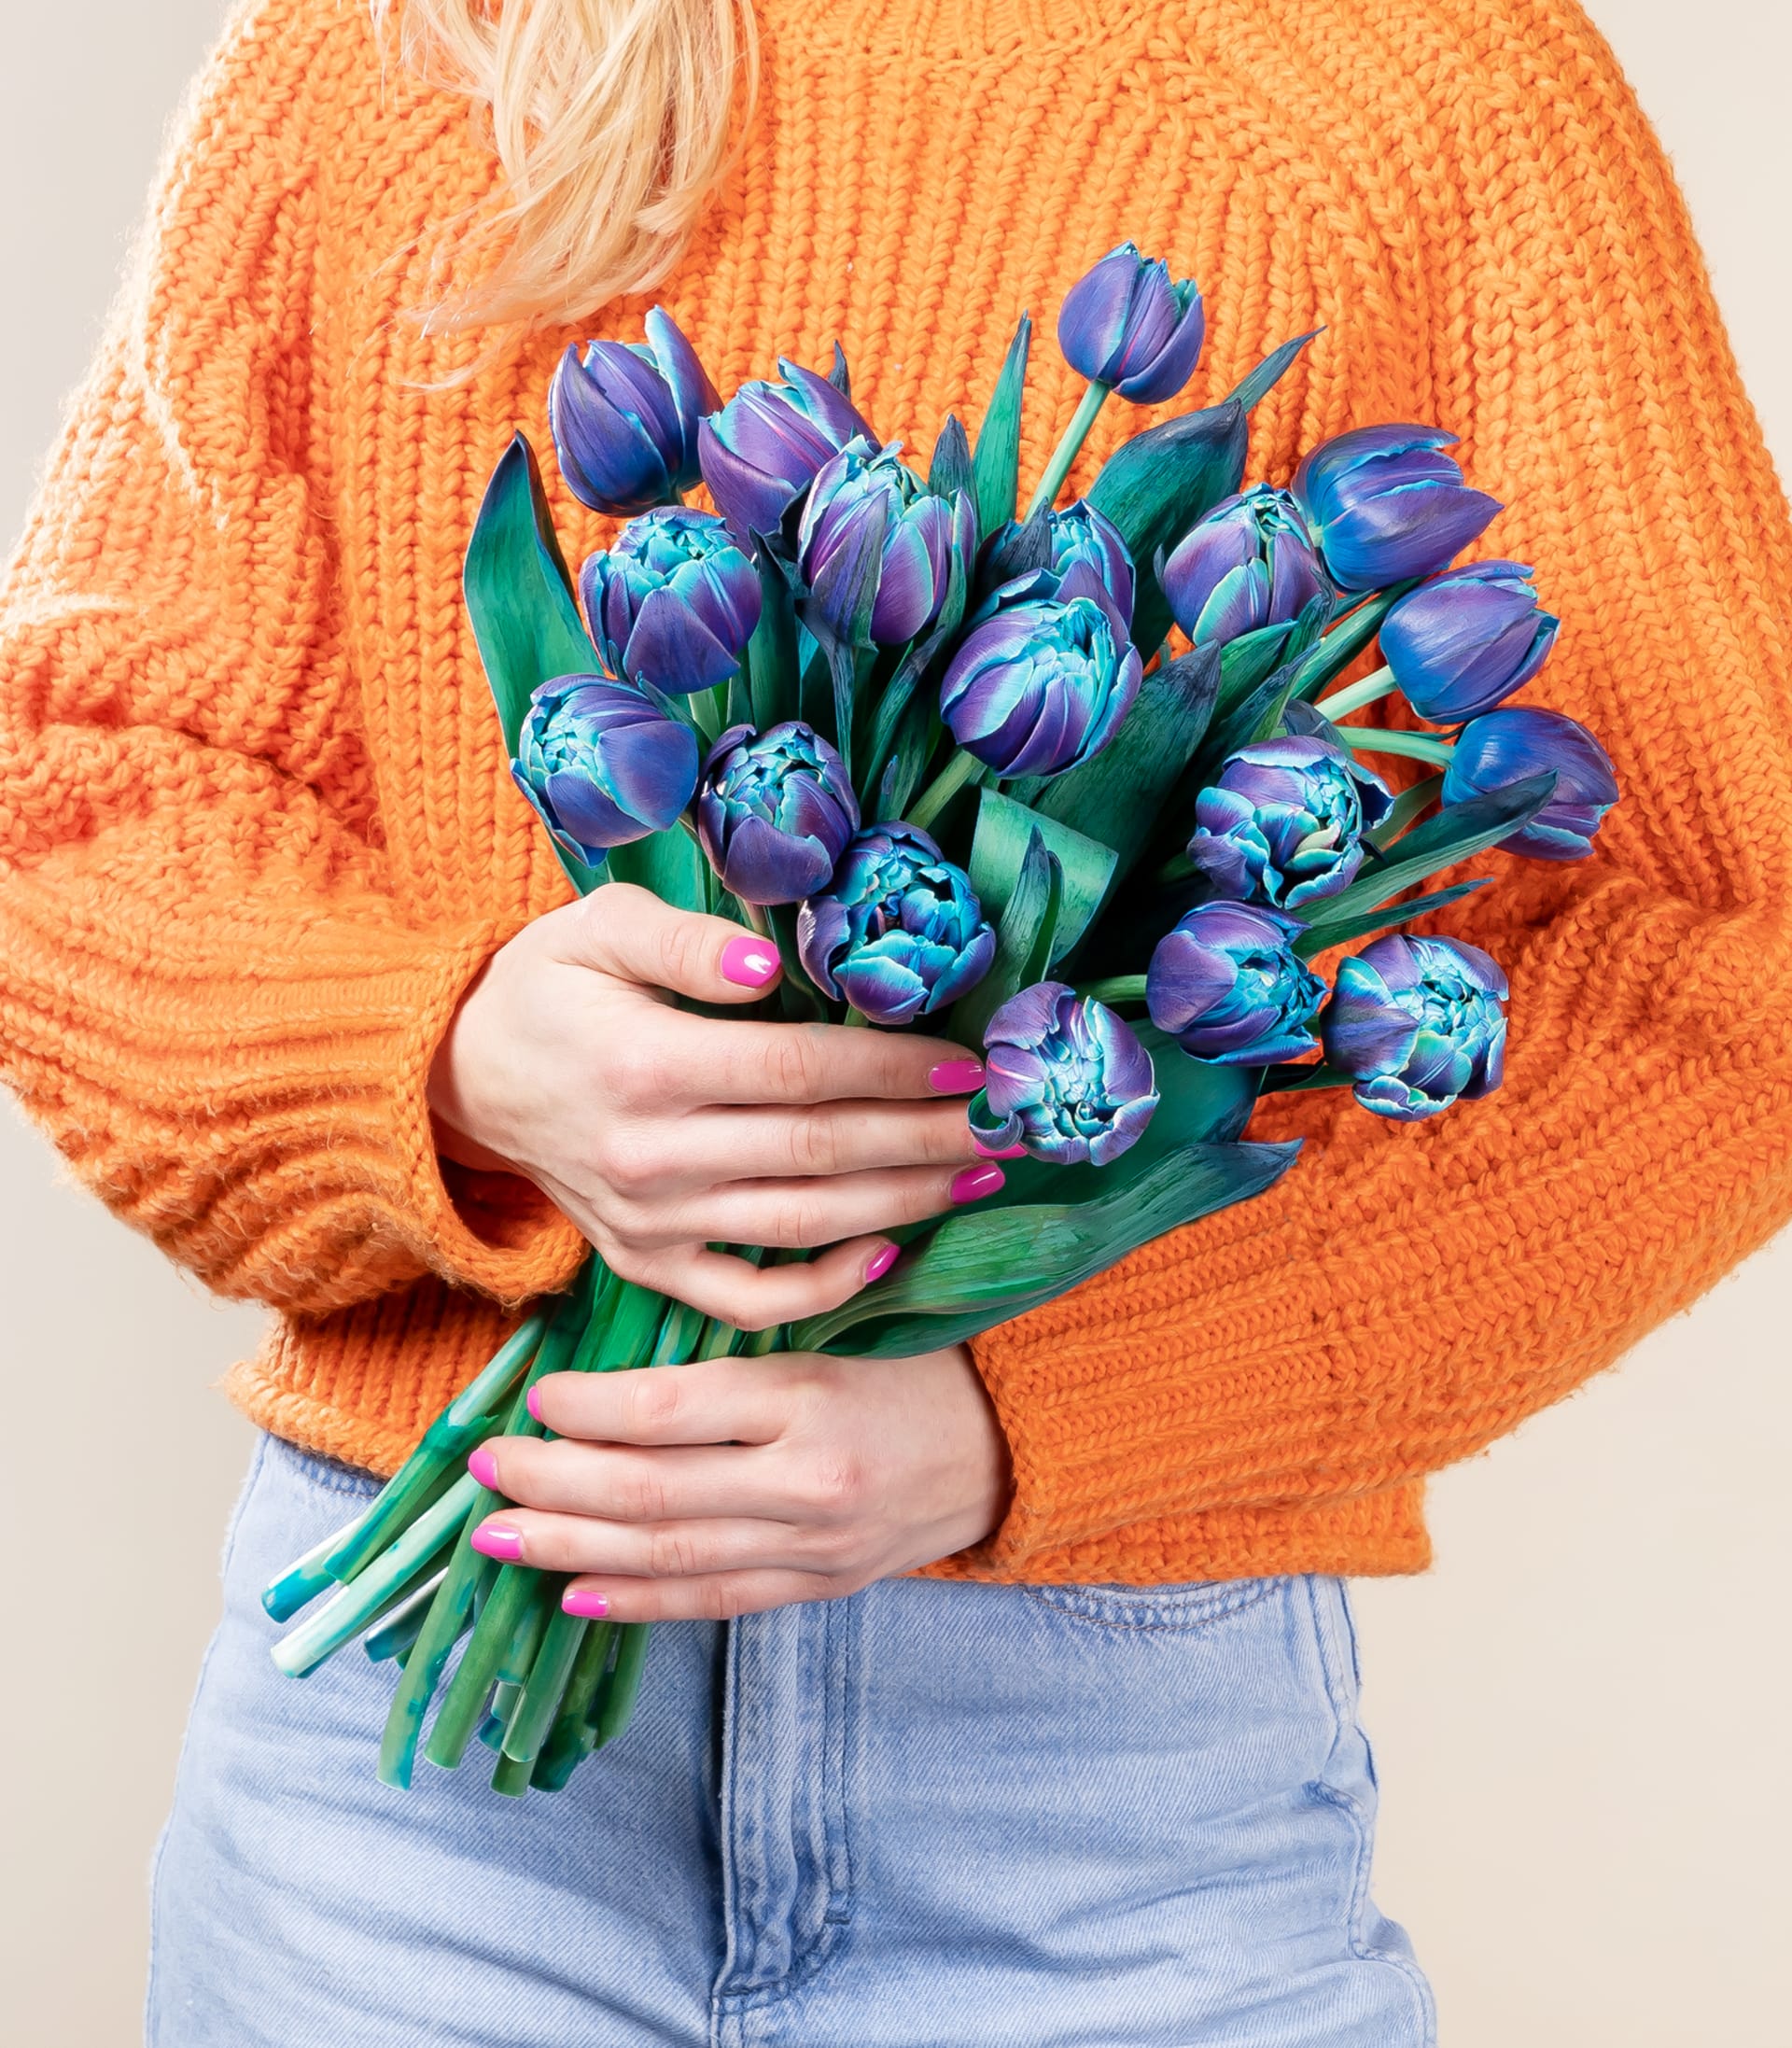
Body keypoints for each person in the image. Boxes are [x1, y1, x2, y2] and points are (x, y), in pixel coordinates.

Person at [2, 0, 1787, 2041]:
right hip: (424, 1774)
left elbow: (1741, 945)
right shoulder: (399, 42)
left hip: (1099, 1789)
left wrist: (1054, 1409)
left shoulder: (1425, 78)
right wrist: (446, 1060)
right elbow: (80, 779)